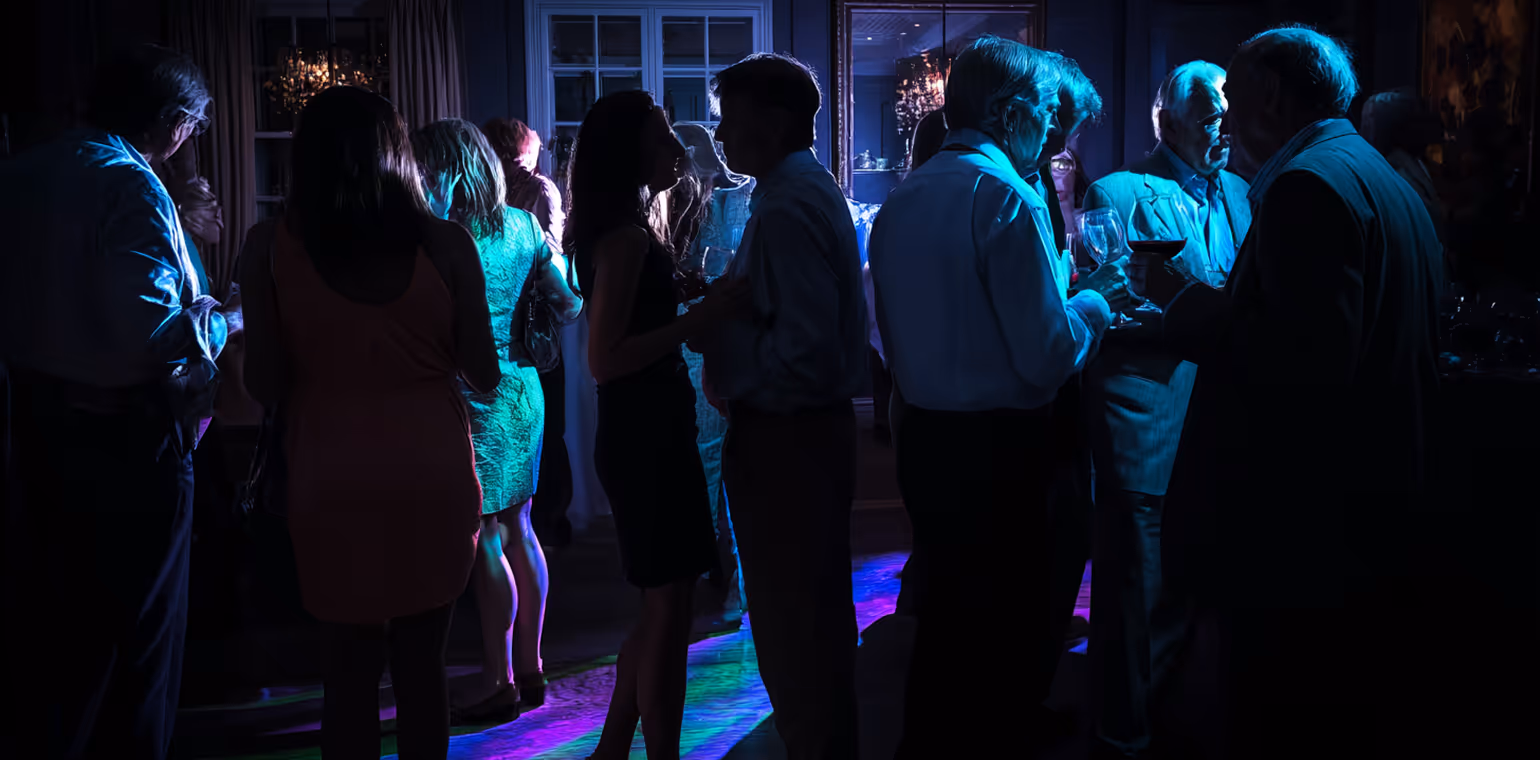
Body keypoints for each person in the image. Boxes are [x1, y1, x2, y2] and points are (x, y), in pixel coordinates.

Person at [1130, 26, 1443, 760]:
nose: (1225, 124)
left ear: (1269, 96)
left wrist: (1187, 305)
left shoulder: (1307, 186)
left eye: (1231, 102)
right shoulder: (1373, 172)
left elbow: (1298, 369)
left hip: (1305, 534)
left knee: (1284, 717)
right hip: (1374, 512)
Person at [867, 36, 1134, 756]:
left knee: (950, 623)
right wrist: (1098, 303)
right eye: (1045, 112)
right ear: (1011, 111)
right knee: (1001, 629)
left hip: (927, 439)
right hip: (1001, 449)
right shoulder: (1005, 200)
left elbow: (885, 340)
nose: (1052, 129)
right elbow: (1048, 358)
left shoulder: (903, 201)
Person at [238, 86, 500, 760]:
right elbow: (484, 373)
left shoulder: (270, 246)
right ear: (398, 152)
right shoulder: (445, 244)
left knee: (347, 674)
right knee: (423, 669)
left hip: (331, 474)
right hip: (430, 471)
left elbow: (263, 384)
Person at [0, 43, 225, 760]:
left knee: (59, 639)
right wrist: (221, 318)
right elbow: (151, 336)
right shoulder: (128, 184)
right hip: (126, 443)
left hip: (34, 428)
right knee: (143, 647)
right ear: (171, 120)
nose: (188, 140)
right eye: (191, 124)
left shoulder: (23, 172)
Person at [692, 53, 868, 760]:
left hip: (787, 441)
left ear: (772, 121)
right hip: (803, 438)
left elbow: (803, 351)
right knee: (811, 616)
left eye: (728, 119)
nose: (720, 134)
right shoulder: (795, 190)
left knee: (795, 621)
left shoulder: (789, 204)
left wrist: (733, 371)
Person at [1077, 59, 1252, 760]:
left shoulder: (1243, 191)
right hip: (1144, 420)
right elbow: (1107, 312)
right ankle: (1123, 735)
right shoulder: (1119, 191)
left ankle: (1178, 724)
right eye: (1210, 116)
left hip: (1222, 425)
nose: (1224, 129)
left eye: (1228, 115)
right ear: (1167, 119)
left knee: (1196, 592)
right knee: (1134, 595)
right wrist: (1189, 316)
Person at [566, 90, 747, 760]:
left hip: (651, 427)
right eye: (662, 135)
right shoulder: (624, 239)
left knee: (663, 602)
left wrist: (693, 297)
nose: (676, 149)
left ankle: (613, 746)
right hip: (644, 432)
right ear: (630, 152)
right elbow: (605, 359)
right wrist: (701, 318)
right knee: (669, 609)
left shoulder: (631, 227)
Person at [412, 119, 583, 721]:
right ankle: (531, 667)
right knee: (521, 529)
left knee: (484, 533)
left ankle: (497, 677)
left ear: (445, 170)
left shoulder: (436, 238)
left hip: (467, 392)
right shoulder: (524, 225)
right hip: (522, 388)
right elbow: (567, 305)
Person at [482, 117, 580, 552]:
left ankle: (550, 520)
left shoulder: (538, 190)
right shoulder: (490, 193)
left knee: (547, 430)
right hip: (505, 327)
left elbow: (552, 259)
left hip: (533, 327)